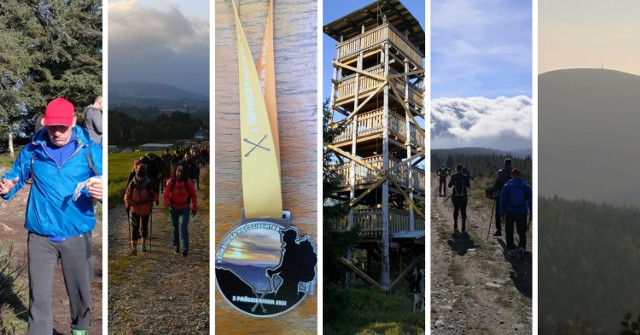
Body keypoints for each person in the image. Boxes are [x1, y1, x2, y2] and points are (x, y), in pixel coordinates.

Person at [0, 97, 102, 335]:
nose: (56, 133)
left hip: (76, 233)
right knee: (39, 297)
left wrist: (102, 191)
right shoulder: (33, 150)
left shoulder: (89, 149)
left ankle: (79, 330)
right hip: (40, 235)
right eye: (51, 126)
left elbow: (104, 180)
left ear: (74, 122)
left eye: (62, 127)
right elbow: (15, 177)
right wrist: (6, 187)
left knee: (80, 292)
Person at [164, 164, 198, 256]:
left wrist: (195, 208)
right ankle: (176, 246)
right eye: (178, 171)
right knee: (175, 228)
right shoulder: (171, 182)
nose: (179, 173)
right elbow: (166, 195)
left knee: (183, 227)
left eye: (181, 171)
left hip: (185, 208)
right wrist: (168, 205)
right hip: (173, 208)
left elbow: (194, 195)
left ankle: (185, 248)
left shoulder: (188, 182)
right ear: (175, 171)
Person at [124, 163, 158, 255]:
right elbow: (127, 195)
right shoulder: (132, 184)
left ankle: (143, 244)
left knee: (144, 228)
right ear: (136, 174)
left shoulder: (149, 184)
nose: (140, 178)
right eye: (138, 176)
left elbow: (156, 197)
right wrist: (127, 204)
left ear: (144, 175)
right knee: (134, 228)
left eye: (142, 176)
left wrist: (152, 195)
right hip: (134, 209)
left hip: (146, 209)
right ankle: (134, 247)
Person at [499, 168, 532, 260]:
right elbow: (530, 201)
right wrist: (531, 214)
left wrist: (501, 214)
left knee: (509, 230)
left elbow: (502, 200)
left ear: (512, 175)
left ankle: (511, 249)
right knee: (522, 231)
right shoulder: (526, 186)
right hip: (522, 212)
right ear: (520, 175)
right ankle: (522, 247)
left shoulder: (507, 185)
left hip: (510, 211)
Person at [492, 158, 512, 236]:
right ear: (510, 164)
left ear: (504, 164)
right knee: (509, 213)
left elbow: (497, 183)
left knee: (498, 213)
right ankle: (508, 231)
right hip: (510, 196)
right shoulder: (512, 172)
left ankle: (499, 230)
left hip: (500, 194)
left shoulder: (500, 172)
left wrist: (494, 192)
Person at [448, 164, 470, 233]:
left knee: (456, 210)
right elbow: (468, 186)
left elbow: (449, 186)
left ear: (456, 169)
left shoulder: (454, 176)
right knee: (463, 210)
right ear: (462, 169)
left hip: (455, 196)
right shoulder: (465, 177)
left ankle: (455, 224)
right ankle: (463, 224)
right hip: (463, 196)